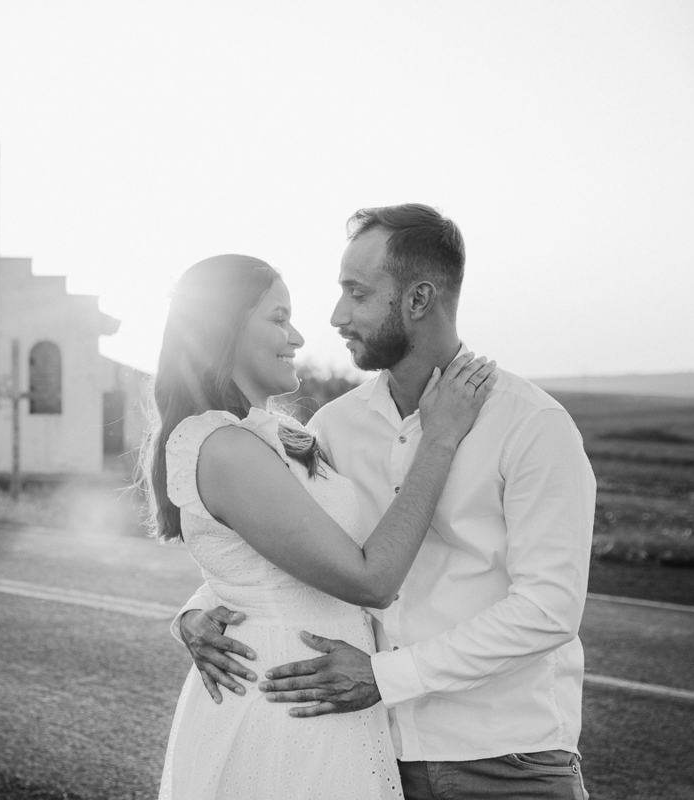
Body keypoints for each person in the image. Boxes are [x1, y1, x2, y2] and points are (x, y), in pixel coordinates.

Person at [176, 205, 596, 800]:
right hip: (370, 756)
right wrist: (197, 611)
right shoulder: (333, 427)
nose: (336, 315)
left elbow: (549, 609)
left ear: (419, 299)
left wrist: (384, 677)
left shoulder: (531, 424)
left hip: (506, 760)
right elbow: (288, 540)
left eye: (358, 293)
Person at [143, 252, 497, 799]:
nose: (298, 336)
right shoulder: (226, 446)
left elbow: (265, 555)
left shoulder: (270, 435)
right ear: (224, 329)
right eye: (278, 318)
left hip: (316, 692)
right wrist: (441, 437)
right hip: (285, 703)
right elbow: (371, 581)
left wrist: (194, 612)